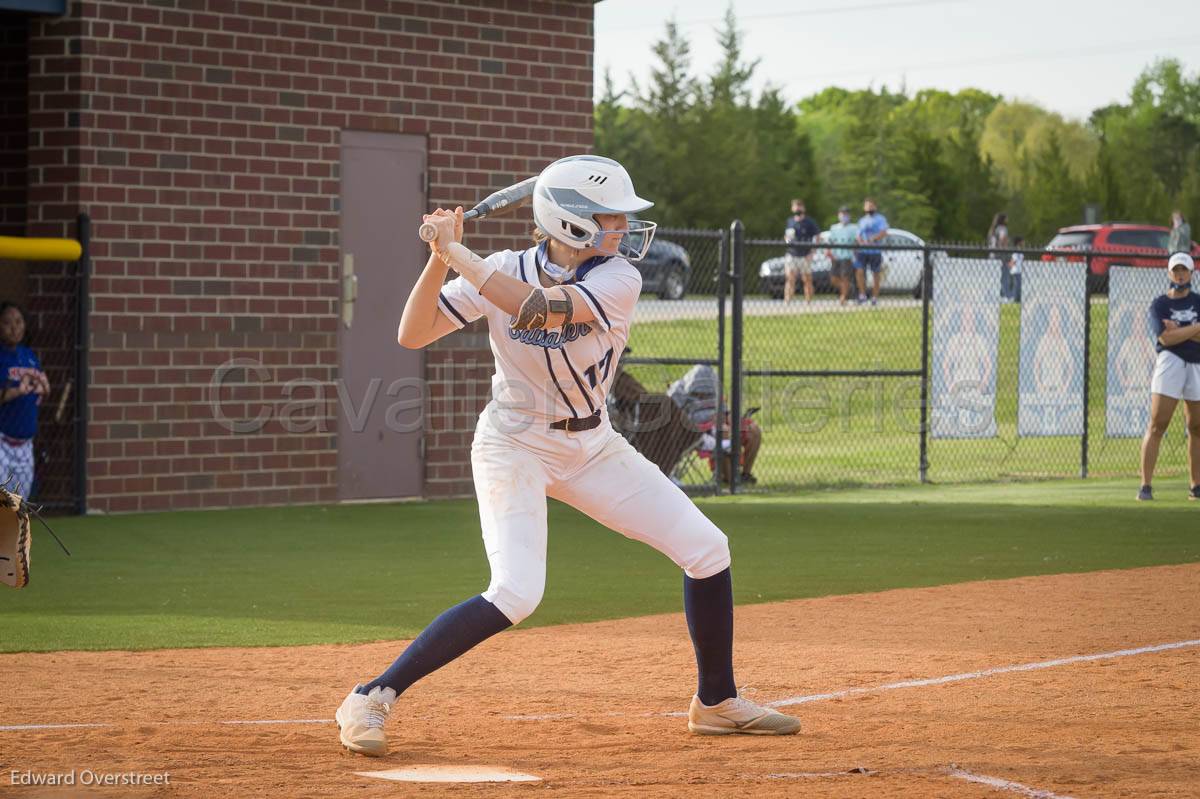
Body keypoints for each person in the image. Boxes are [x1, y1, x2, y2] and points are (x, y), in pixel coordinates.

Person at [334, 155, 801, 757]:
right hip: (514, 445)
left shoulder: (618, 278)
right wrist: (437, 259)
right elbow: (413, 332)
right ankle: (371, 695)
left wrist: (458, 253)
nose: (623, 228)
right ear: (571, 222)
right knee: (517, 591)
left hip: (593, 445)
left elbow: (538, 308)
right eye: (611, 217)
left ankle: (716, 702)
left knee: (707, 549)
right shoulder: (498, 267)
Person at [1138, 252, 1200, 502]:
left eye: (1184, 269)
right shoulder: (1160, 304)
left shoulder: (1198, 300)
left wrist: (1180, 331)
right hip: (1170, 362)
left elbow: (1174, 334)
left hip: (1197, 363)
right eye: (1176, 270)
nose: (1180, 274)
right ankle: (1145, 486)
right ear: (1168, 273)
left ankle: (1196, 486)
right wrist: (1196, 328)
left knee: (1196, 427)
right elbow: (1164, 337)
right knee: (1157, 424)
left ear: (1191, 273)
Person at [0, 302, 49, 498]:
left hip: (25, 444)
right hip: (2, 441)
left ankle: (17, 530)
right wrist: (15, 392)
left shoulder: (29, 356)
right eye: (7, 323)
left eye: (19, 322)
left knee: (20, 505)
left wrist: (41, 386)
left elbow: (44, 387)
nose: (14, 328)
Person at [783, 199, 819, 303]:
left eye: (799, 206)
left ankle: (808, 301)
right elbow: (786, 235)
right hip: (792, 254)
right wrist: (787, 240)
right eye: (795, 206)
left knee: (806, 279)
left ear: (803, 208)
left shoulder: (809, 222)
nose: (797, 208)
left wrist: (812, 252)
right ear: (792, 208)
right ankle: (787, 301)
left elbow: (817, 237)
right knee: (790, 278)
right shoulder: (790, 221)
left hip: (805, 254)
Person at [854, 198, 889, 306]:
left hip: (875, 251)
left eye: (871, 206)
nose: (869, 208)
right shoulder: (862, 220)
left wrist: (873, 239)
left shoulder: (880, 219)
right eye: (867, 206)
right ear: (864, 208)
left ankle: (874, 297)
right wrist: (861, 241)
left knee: (876, 274)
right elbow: (858, 235)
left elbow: (883, 232)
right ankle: (862, 295)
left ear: (875, 207)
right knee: (859, 272)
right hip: (863, 251)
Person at [827, 206, 858, 306]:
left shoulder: (854, 228)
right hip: (836, 256)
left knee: (845, 277)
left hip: (847, 256)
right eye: (842, 214)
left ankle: (843, 297)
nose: (844, 216)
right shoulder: (834, 228)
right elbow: (830, 241)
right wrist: (828, 251)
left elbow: (857, 241)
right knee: (833, 278)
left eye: (846, 214)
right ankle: (848, 288)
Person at [988, 213, 1012, 301]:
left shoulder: (993, 229)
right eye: (1006, 218)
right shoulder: (1002, 228)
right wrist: (1006, 243)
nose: (1008, 220)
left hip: (992, 255)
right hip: (1000, 256)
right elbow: (1002, 240)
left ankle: (993, 296)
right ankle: (1005, 296)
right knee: (1005, 276)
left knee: (994, 277)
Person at [1008, 237, 1024, 303]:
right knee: (1016, 286)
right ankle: (1014, 299)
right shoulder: (1017, 250)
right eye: (1022, 241)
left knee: (1018, 286)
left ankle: (1017, 299)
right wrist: (1010, 265)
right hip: (1016, 271)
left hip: (1019, 270)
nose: (1023, 243)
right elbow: (1013, 260)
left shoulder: (1019, 250)